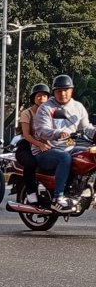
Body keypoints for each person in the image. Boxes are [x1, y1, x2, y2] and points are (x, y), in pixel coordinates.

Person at [34, 74, 96, 212]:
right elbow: (41, 130)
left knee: (88, 153)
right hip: (46, 149)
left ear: (71, 90)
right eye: (59, 91)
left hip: (68, 145)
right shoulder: (46, 108)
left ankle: (82, 191)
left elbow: (86, 127)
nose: (63, 93)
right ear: (54, 92)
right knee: (64, 157)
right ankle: (58, 198)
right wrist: (57, 133)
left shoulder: (78, 107)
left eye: (66, 90)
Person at [16, 83, 51, 205]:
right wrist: (40, 145)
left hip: (46, 146)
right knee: (31, 164)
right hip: (27, 147)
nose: (42, 99)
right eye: (39, 96)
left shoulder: (52, 113)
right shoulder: (27, 113)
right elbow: (26, 135)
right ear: (33, 98)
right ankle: (31, 193)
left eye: (44, 96)